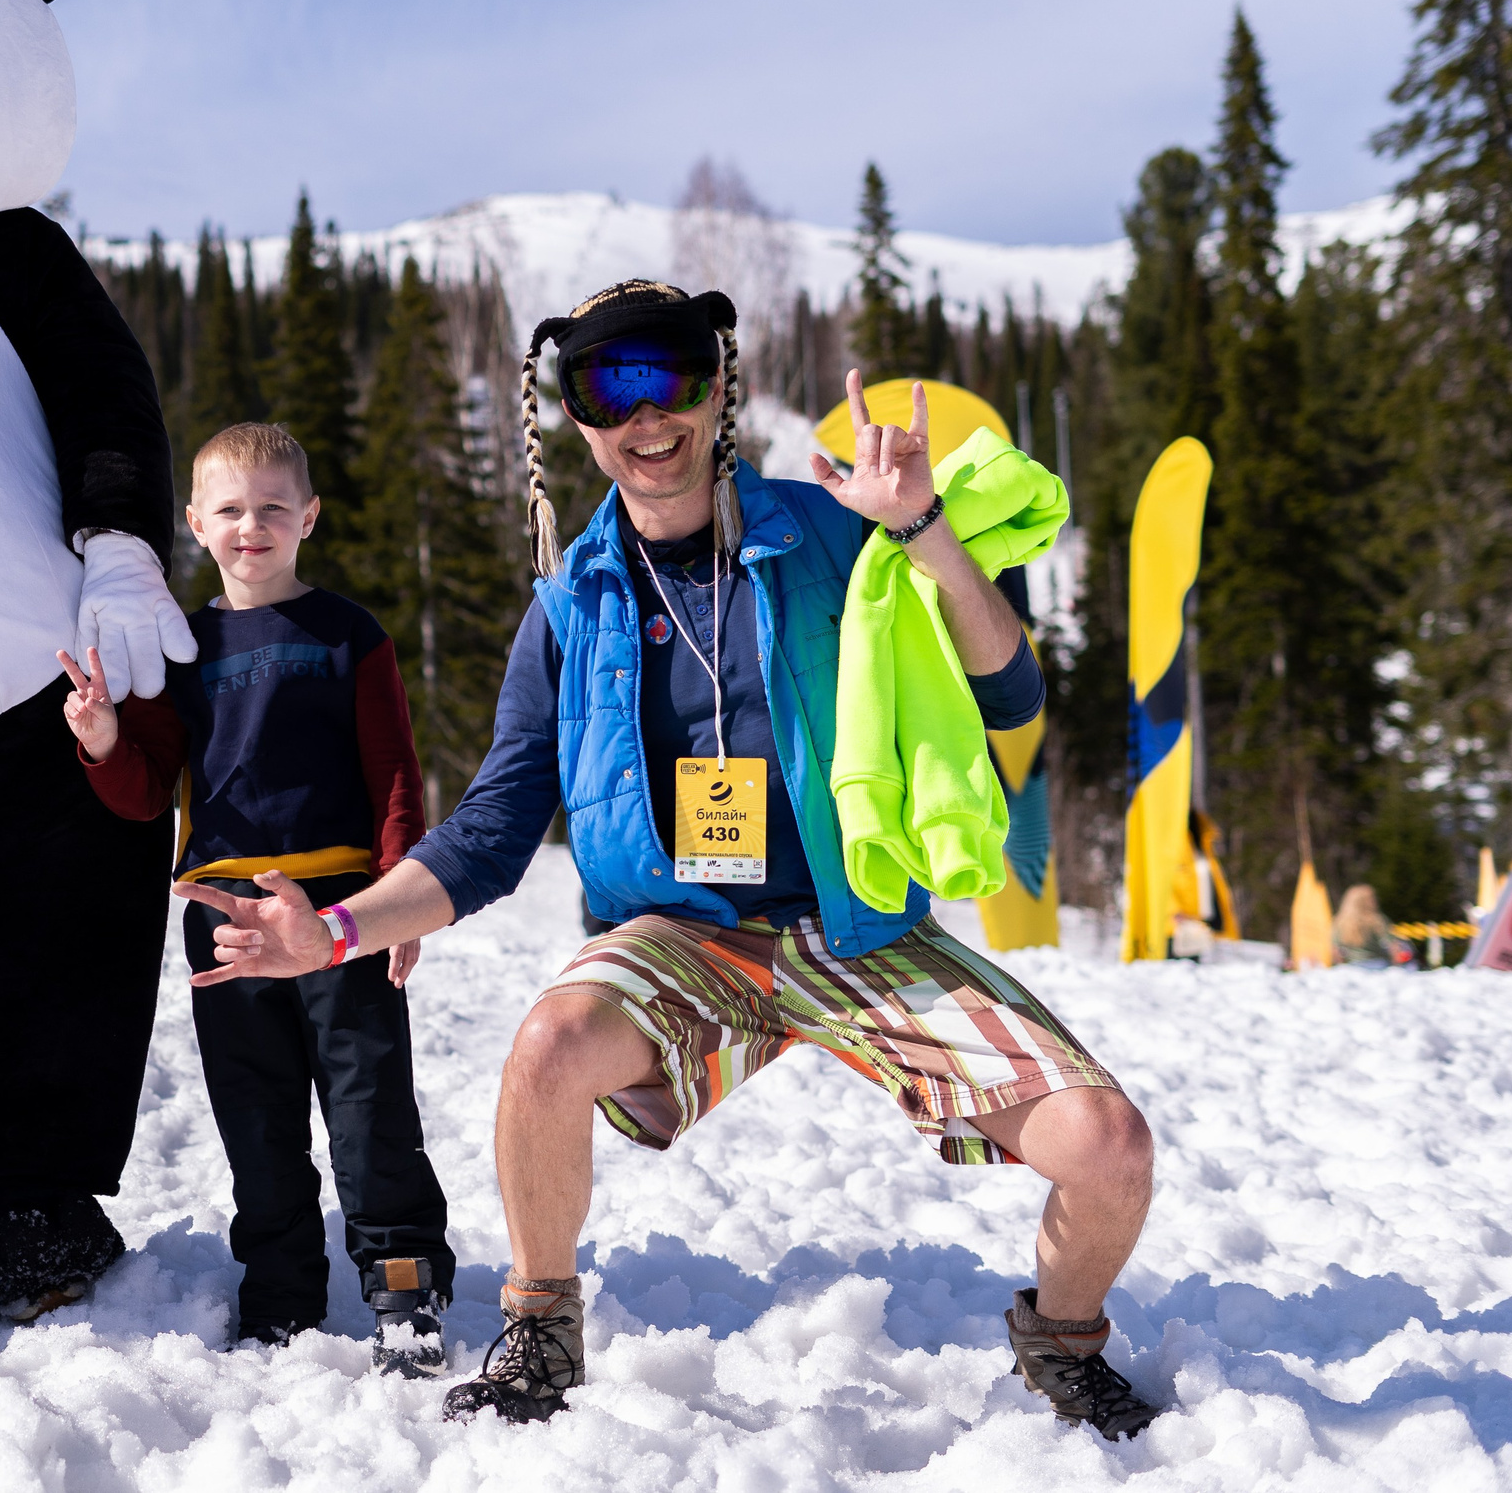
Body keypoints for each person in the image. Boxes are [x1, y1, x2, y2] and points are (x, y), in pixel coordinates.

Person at [181, 282, 1161, 1438]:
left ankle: (1062, 1336)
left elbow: (1010, 689)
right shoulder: (570, 605)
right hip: (682, 933)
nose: (645, 416)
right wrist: (337, 930)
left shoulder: (835, 533)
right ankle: (541, 1325)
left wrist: (921, 529)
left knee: (1107, 1147)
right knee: (545, 1047)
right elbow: (493, 828)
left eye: (670, 378)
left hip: (858, 921)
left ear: (717, 389)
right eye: (606, 388)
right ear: (577, 420)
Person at [62, 423, 454, 1370]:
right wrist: (105, 738)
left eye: (274, 507)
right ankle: (280, 1290)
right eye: (230, 510)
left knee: (369, 1103)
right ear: (196, 524)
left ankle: (404, 1283)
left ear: (308, 517)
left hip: (338, 913)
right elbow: (148, 788)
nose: (253, 526)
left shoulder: (350, 635)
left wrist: (402, 899)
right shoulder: (179, 648)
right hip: (225, 919)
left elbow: (395, 773)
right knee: (256, 1110)